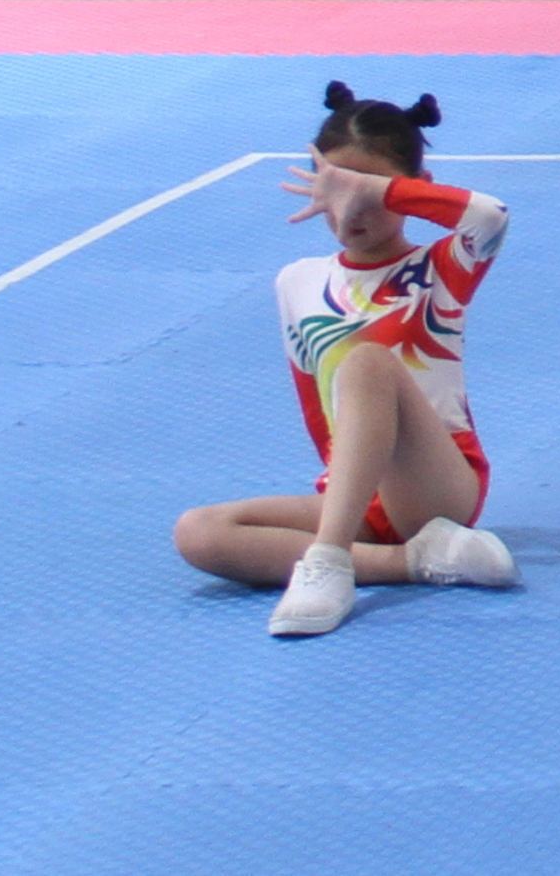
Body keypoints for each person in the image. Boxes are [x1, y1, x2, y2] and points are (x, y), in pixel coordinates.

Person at [173, 84, 516, 636]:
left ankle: (330, 562)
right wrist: (344, 498)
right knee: (200, 531)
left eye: (367, 193)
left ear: (410, 189)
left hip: (438, 487)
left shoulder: (441, 269)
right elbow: (319, 411)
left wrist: (387, 190)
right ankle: (415, 563)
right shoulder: (298, 281)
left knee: (366, 364)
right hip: (357, 497)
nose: (350, 210)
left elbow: (490, 217)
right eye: (334, 190)